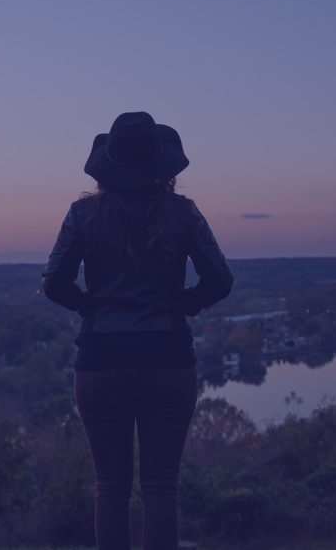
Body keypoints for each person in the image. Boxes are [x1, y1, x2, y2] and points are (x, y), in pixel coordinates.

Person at [41, 112, 234, 550]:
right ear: (162, 167)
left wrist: (91, 306)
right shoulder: (183, 214)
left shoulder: (83, 214)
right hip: (167, 356)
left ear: (107, 167)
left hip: (100, 359)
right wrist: (183, 304)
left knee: (110, 488)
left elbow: (54, 283)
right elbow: (220, 281)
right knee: (161, 489)